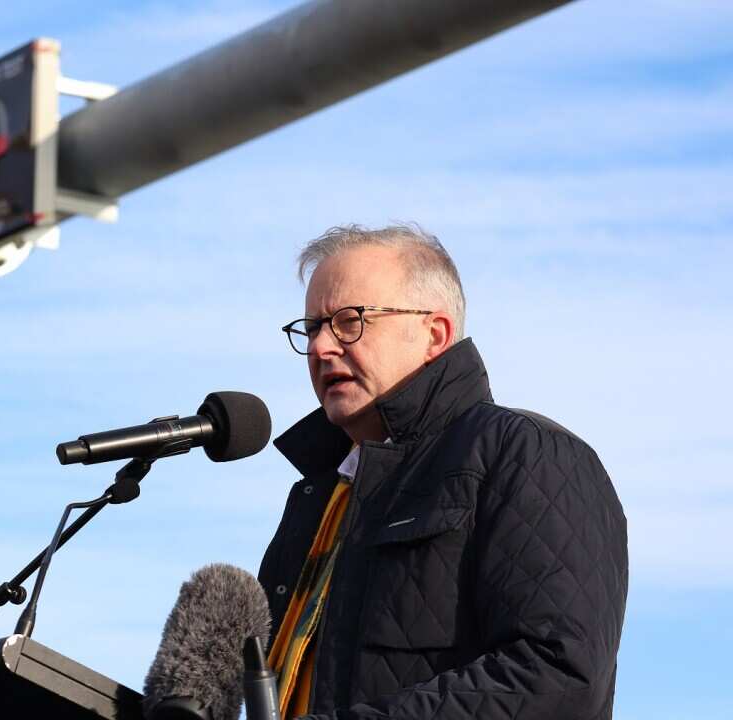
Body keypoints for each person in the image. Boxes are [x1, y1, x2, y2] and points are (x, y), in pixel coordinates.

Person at [258, 224, 628, 719]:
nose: (322, 347)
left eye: (349, 322)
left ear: (435, 335)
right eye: (312, 328)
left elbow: (558, 676)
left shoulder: (527, 454)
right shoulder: (319, 497)